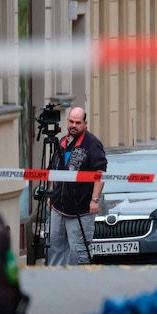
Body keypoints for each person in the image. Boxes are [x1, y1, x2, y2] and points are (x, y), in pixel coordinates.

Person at [46, 106, 107, 266]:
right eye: (71, 121)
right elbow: (55, 170)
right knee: (54, 246)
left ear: (85, 124)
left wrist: (95, 200)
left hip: (81, 209)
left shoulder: (92, 144)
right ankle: (54, 281)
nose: (74, 125)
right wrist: (51, 194)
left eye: (78, 122)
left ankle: (79, 283)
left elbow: (100, 173)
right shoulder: (62, 142)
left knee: (78, 251)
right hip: (58, 206)